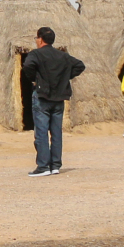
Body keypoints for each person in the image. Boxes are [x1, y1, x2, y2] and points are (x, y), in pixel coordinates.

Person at [21, 27, 84, 176]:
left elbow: (28, 66)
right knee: (56, 132)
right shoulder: (62, 56)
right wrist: (64, 79)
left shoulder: (35, 54)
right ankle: (55, 165)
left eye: (36, 38)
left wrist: (35, 79)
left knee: (41, 132)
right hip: (59, 98)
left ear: (40, 39)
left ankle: (43, 166)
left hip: (42, 97)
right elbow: (80, 65)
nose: (36, 41)